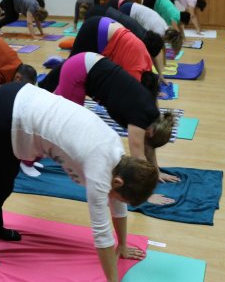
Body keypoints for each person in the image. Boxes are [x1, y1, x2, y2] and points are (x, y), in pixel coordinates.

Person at [0, 82, 159, 282]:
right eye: (121, 198)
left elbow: (117, 204)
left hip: (20, 102)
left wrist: (122, 245)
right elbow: (102, 234)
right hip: (2, 113)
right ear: (117, 182)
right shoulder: (98, 171)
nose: (116, 202)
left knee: (4, 182)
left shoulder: (118, 157)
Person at [52, 52, 178, 195]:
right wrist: (148, 194)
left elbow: (149, 147)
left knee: (51, 104)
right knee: (64, 120)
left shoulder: (154, 116)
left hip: (89, 63)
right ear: (150, 132)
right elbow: (138, 159)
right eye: (148, 141)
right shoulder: (140, 117)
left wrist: (157, 172)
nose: (147, 145)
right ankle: (36, 150)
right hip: (80, 69)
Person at [40, 16, 158, 96]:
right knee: (70, 66)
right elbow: (132, 96)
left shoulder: (147, 66)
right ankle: (43, 87)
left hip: (104, 28)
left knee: (75, 66)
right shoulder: (135, 72)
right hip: (95, 30)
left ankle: (47, 84)